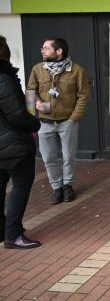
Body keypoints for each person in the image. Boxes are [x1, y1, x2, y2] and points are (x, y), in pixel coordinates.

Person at [27, 37, 90, 204]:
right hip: (44, 122)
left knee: (69, 156)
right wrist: (35, 107)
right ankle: (56, 188)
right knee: (48, 158)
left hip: (67, 121)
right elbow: (30, 91)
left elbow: (83, 96)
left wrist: (73, 119)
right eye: (42, 48)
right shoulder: (37, 69)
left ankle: (68, 186)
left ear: (59, 51)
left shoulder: (77, 71)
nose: (42, 51)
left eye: (46, 48)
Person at [0, 35, 42, 250]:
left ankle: (4, 229)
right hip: (13, 144)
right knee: (21, 186)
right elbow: (16, 114)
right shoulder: (3, 78)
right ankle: (13, 235)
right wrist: (35, 124)